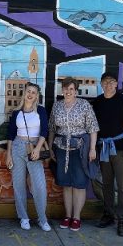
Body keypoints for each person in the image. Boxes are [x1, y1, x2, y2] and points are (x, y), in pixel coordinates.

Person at [91, 72, 123, 237]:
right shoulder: (97, 102)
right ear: (101, 84)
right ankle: (108, 214)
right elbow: (92, 127)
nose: (109, 85)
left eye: (112, 82)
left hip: (121, 149)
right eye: (105, 82)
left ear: (116, 84)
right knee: (107, 184)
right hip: (103, 148)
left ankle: (122, 219)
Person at [48, 78, 98, 231]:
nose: (68, 91)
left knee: (79, 184)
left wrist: (92, 149)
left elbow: (93, 127)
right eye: (65, 88)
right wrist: (50, 148)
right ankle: (67, 216)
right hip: (62, 149)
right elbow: (52, 128)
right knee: (66, 184)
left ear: (76, 91)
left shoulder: (84, 105)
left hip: (80, 149)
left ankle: (76, 217)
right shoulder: (57, 106)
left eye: (71, 89)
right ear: (62, 90)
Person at [6, 82, 51, 231]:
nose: (30, 94)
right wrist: (8, 155)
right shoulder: (16, 112)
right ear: (24, 93)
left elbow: (44, 131)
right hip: (18, 147)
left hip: (34, 148)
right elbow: (11, 135)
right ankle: (23, 217)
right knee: (18, 185)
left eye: (33, 92)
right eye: (28, 91)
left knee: (39, 185)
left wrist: (38, 148)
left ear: (37, 96)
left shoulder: (41, 111)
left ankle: (42, 219)